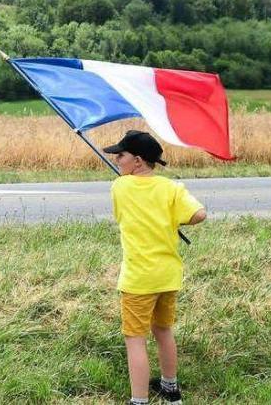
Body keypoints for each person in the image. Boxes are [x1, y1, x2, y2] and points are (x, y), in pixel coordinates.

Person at [103, 130, 206, 405]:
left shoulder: (120, 187)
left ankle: (139, 400)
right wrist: (173, 220)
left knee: (135, 339)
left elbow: (121, 214)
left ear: (137, 161)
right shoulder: (172, 188)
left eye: (121, 155)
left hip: (139, 279)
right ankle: (171, 390)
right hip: (168, 275)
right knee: (163, 330)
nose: (117, 160)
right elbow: (199, 214)